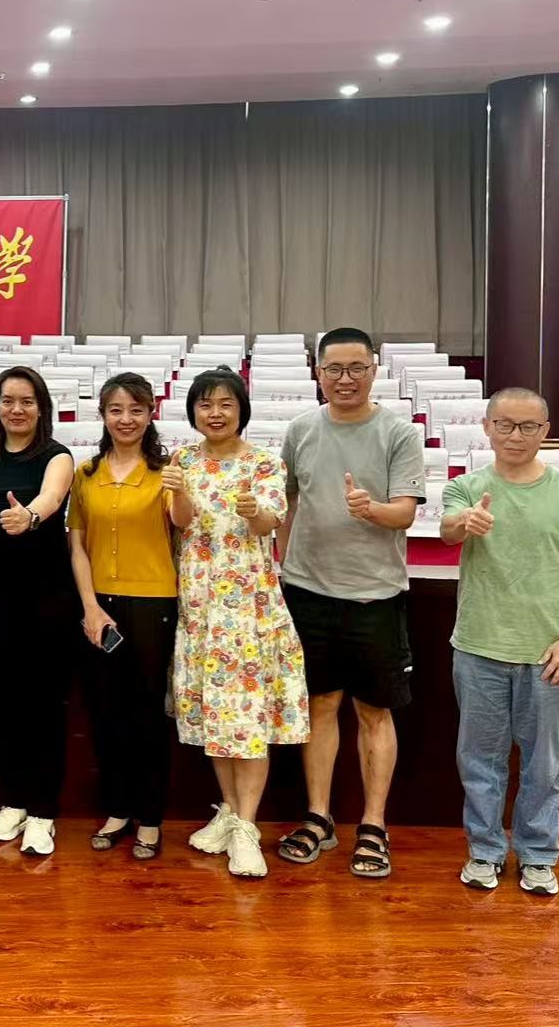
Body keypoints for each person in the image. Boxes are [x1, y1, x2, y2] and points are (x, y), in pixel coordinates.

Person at [440, 388, 559, 896]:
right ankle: (484, 850)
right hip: (478, 648)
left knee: (544, 762)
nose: (516, 436)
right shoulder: (466, 487)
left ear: (546, 431)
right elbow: (449, 529)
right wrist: (465, 522)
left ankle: (538, 854)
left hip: (549, 653)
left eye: (528, 427)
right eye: (505, 425)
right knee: (479, 761)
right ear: (487, 427)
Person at [275, 327, 425, 879]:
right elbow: (287, 503)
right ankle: (318, 818)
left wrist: (371, 510)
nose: (345, 379)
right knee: (318, 706)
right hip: (307, 591)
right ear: (317, 372)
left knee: (373, 712)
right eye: (334, 368)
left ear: (374, 369)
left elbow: (405, 513)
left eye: (356, 368)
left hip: (374, 595)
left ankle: (373, 824)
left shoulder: (398, 432)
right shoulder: (300, 430)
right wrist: (283, 561)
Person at [170, 367, 309, 879]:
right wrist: (178, 491)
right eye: (205, 404)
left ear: (241, 410)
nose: (215, 413)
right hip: (200, 606)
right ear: (193, 411)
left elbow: (269, 522)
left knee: (246, 719)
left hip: (248, 609)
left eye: (225, 404)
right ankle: (229, 812)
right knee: (217, 716)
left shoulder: (264, 463)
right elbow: (181, 521)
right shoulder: (183, 460)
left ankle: (248, 827)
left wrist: (253, 510)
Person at [0, 367, 77, 857]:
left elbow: (51, 497)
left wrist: (28, 515)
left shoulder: (57, 456)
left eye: (27, 401)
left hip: (49, 599)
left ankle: (43, 811)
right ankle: (14, 802)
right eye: (8, 401)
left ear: (41, 408)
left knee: (45, 708)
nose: (17, 409)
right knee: (4, 706)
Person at [69, 372, 178, 861]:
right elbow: (77, 544)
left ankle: (150, 818)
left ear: (151, 414)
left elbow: (182, 523)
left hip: (154, 603)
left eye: (136, 409)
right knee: (106, 711)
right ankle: (117, 810)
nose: (126, 419)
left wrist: (181, 490)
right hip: (100, 607)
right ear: (102, 415)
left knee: (148, 714)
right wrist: (90, 606)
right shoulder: (86, 473)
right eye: (116, 410)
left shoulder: (166, 472)